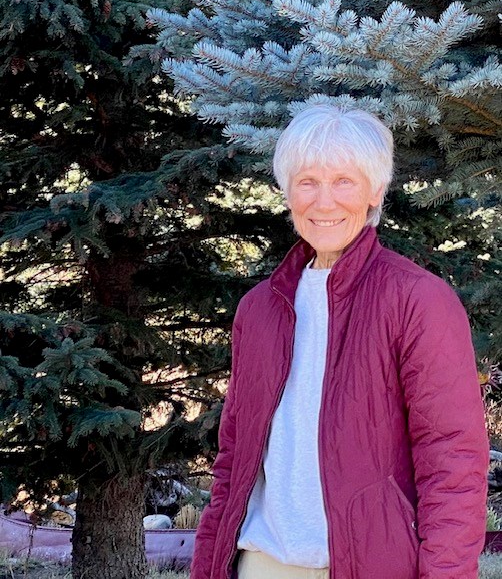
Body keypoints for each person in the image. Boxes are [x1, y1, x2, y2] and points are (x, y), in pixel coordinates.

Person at [190, 106, 489, 579]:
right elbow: (233, 458)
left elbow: (452, 463)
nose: (323, 202)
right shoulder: (259, 309)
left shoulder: (418, 299)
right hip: (261, 565)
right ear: (288, 191)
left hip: (373, 564)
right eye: (307, 181)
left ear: (375, 190)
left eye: (344, 181)